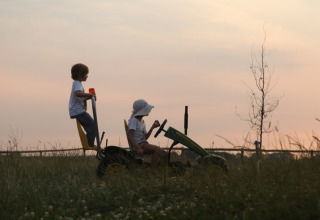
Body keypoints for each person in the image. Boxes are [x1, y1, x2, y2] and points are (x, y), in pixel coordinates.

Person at [127, 99, 168, 166]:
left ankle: (162, 168)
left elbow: (145, 137)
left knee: (165, 154)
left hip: (143, 143)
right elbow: (130, 135)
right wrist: (138, 148)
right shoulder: (133, 120)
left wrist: (152, 127)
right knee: (157, 149)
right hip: (139, 145)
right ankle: (153, 170)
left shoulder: (142, 122)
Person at [69, 63, 96, 147]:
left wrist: (89, 97)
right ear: (80, 74)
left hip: (77, 110)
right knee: (92, 126)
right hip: (78, 111)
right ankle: (89, 144)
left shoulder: (77, 83)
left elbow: (80, 97)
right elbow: (78, 94)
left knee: (91, 125)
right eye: (86, 74)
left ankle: (89, 143)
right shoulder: (77, 83)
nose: (87, 76)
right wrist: (90, 95)